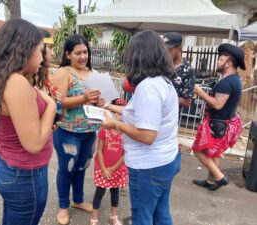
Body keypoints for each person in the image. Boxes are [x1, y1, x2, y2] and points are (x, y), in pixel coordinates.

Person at [0, 19, 56, 225]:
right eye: (39, 50)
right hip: (24, 175)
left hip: (6, 165)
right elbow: (34, 144)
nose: (43, 57)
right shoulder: (17, 83)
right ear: (24, 50)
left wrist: (38, 122)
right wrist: (52, 107)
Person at [101, 30, 181, 225]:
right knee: (161, 213)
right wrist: (106, 106)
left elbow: (147, 136)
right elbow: (137, 112)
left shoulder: (148, 88)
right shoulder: (163, 81)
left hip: (149, 166)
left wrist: (115, 124)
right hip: (165, 159)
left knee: (142, 217)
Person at [50, 34, 101, 225]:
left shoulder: (93, 73)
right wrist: (84, 98)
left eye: (85, 52)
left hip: (89, 132)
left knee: (81, 168)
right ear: (68, 54)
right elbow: (58, 101)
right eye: (78, 53)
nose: (82, 56)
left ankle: (78, 200)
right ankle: (64, 206)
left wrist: (100, 102)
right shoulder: (64, 72)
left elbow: (96, 100)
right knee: (67, 169)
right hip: (68, 132)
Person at [192, 43, 244, 191]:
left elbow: (217, 104)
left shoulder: (227, 82)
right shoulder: (233, 79)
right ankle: (210, 181)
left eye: (220, 59)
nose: (217, 62)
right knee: (214, 153)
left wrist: (200, 92)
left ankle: (219, 177)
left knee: (197, 149)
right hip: (222, 123)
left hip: (217, 124)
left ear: (229, 63)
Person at [90, 99, 128, 225]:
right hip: (103, 168)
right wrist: (104, 169)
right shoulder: (104, 130)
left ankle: (113, 216)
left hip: (116, 169)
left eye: (123, 113)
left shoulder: (125, 133)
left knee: (115, 193)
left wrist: (112, 169)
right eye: (117, 112)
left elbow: (125, 154)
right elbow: (99, 151)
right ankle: (94, 218)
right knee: (99, 192)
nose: (120, 116)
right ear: (111, 112)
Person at [163, 32, 195, 107]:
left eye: (169, 50)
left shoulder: (188, 70)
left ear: (179, 49)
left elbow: (187, 102)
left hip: (170, 116)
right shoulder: (160, 64)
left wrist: (163, 97)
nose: (166, 53)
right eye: (164, 49)